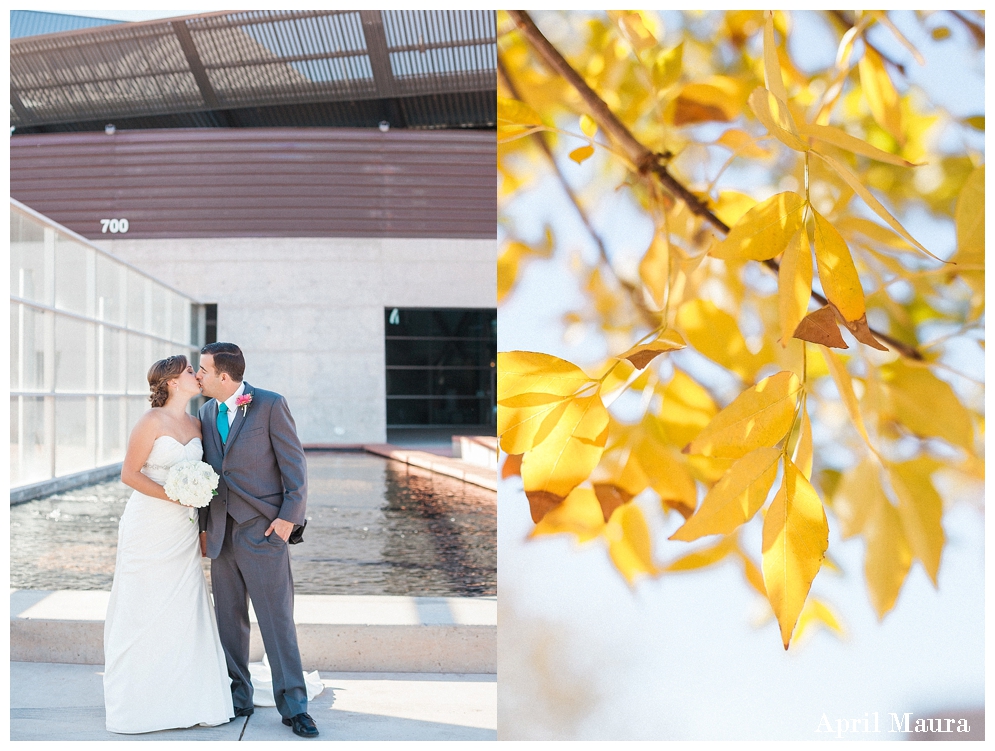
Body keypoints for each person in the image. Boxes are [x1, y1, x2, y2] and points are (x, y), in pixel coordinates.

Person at [104, 355, 234, 734]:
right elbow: (129, 474)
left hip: (183, 527)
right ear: (174, 382)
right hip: (150, 524)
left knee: (182, 606)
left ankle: (187, 698)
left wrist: (199, 516)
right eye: (191, 371)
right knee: (143, 605)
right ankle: (140, 702)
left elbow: (208, 474)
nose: (198, 375)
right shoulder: (150, 422)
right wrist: (175, 495)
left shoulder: (197, 423)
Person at [195, 342, 318, 739]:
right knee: (229, 623)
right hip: (221, 533)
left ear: (224, 376)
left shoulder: (269, 404)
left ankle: (295, 707)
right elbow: (208, 473)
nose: (198, 376)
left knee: (276, 621)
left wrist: (287, 520)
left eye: (203, 370)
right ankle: (238, 696)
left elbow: (294, 468)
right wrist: (203, 529)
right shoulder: (206, 411)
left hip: (264, 531)